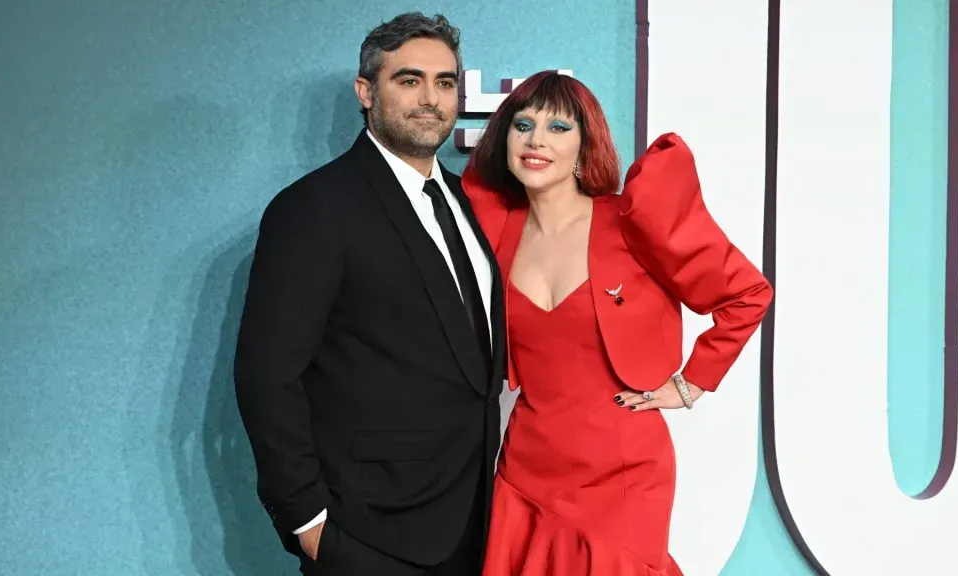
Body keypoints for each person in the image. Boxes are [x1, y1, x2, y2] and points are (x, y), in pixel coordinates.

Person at [460, 71, 773, 575]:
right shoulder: (495, 229)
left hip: (622, 473)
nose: (537, 139)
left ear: (586, 146)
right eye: (523, 124)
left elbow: (746, 294)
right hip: (527, 467)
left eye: (558, 127)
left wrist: (691, 383)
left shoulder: (631, 221)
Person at [233, 12, 505, 576]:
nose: (430, 98)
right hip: (367, 533)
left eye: (445, 82)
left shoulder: (463, 200)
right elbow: (267, 375)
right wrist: (307, 521)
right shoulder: (316, 207)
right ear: (366, 92)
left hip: (475, 520)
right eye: (409, 81)